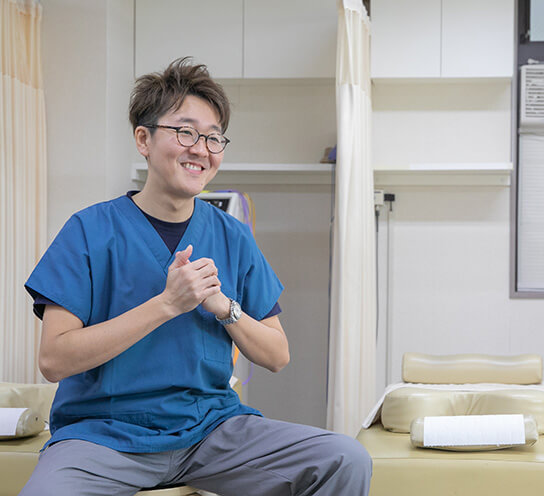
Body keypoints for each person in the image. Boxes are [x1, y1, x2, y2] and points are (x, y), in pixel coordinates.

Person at [21, 57, 372, 496]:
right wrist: (167, 304)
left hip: (210, 432)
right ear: (143, 139)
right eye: (185, 132)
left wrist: (225, 308)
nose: (201, 149)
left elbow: (277, 355)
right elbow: (54, 360)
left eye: (213, 137)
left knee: (344, 458)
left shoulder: (232, 236)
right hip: (103, 436)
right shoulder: (89, 231)